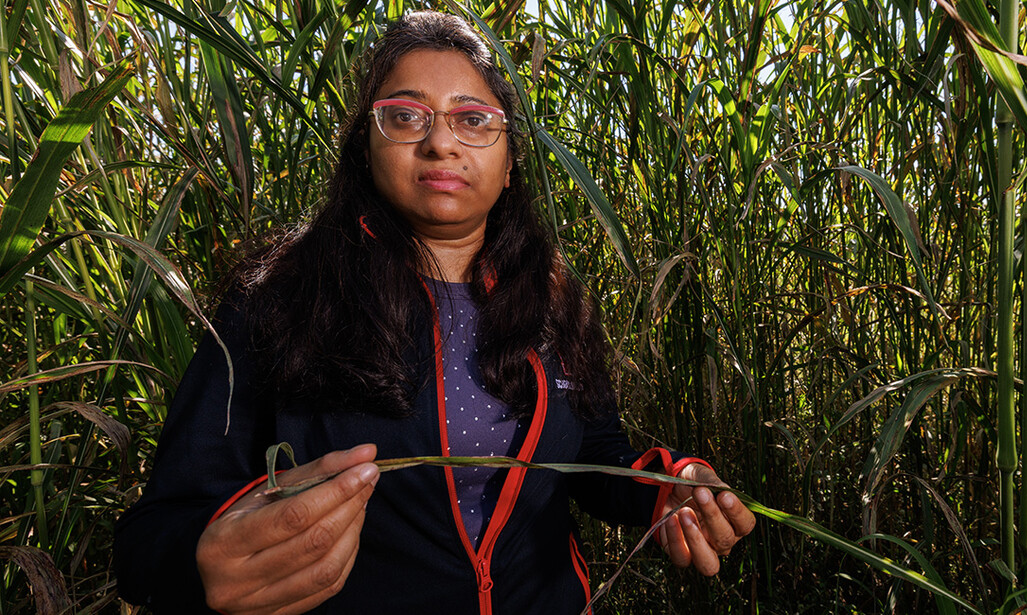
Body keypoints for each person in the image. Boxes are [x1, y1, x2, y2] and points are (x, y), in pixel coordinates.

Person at [113, 10, 755, 615]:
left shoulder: (555, 300)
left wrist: (670, 488)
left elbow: (597, 457)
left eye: (474, 119)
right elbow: (149, 541)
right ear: (366, 148)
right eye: (405, 116)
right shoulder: (278, 302)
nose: (442, 141)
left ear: (509, 167)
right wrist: (201, 566)